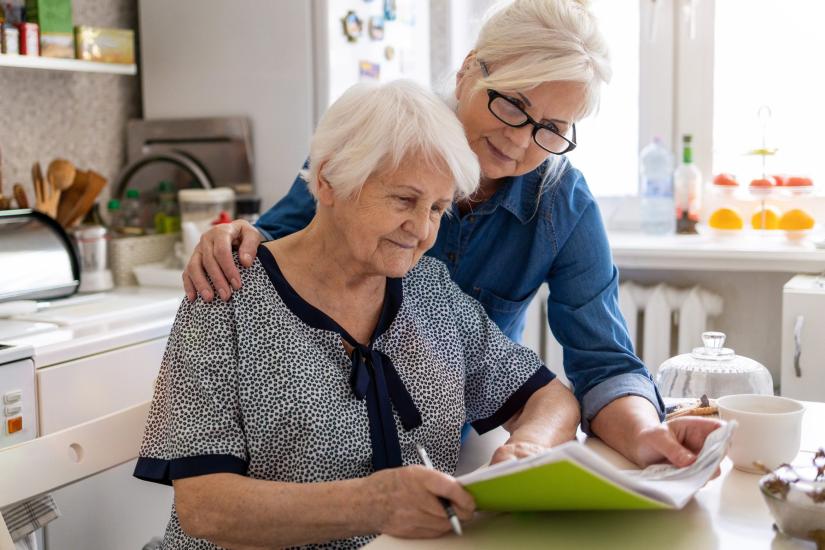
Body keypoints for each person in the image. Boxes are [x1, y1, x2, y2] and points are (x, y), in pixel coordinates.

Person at [183, 0, 721, 471]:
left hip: (442, 444)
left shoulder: (561, 203)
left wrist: (649, 436)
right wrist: (231, 237)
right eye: (512, 104)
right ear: (469, 72)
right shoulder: (380, 140)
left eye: (553, 129)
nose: (519, 140)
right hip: (311, 442)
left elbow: (603, 363)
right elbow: (274, 249)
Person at [135, 79, 581, 549]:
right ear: (328, 179)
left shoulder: (432, 292)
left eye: (437, 208)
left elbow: (551, 398)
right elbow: (205, 507)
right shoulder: (227, 294)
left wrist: (527, 448)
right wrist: (371, 504)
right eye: (404, 200)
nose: (421, 229)